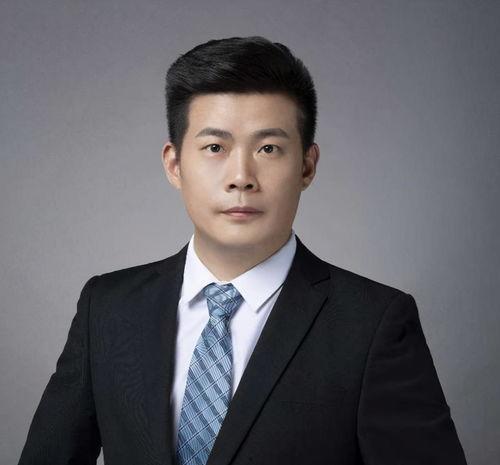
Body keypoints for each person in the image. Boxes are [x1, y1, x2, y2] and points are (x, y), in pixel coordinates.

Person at [18, 36, 468, 465]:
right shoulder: (107, 308)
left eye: (269, 148)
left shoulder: (373, 324)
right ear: (174, 164)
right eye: (215, 147)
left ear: (307, 166)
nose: (241, 177)